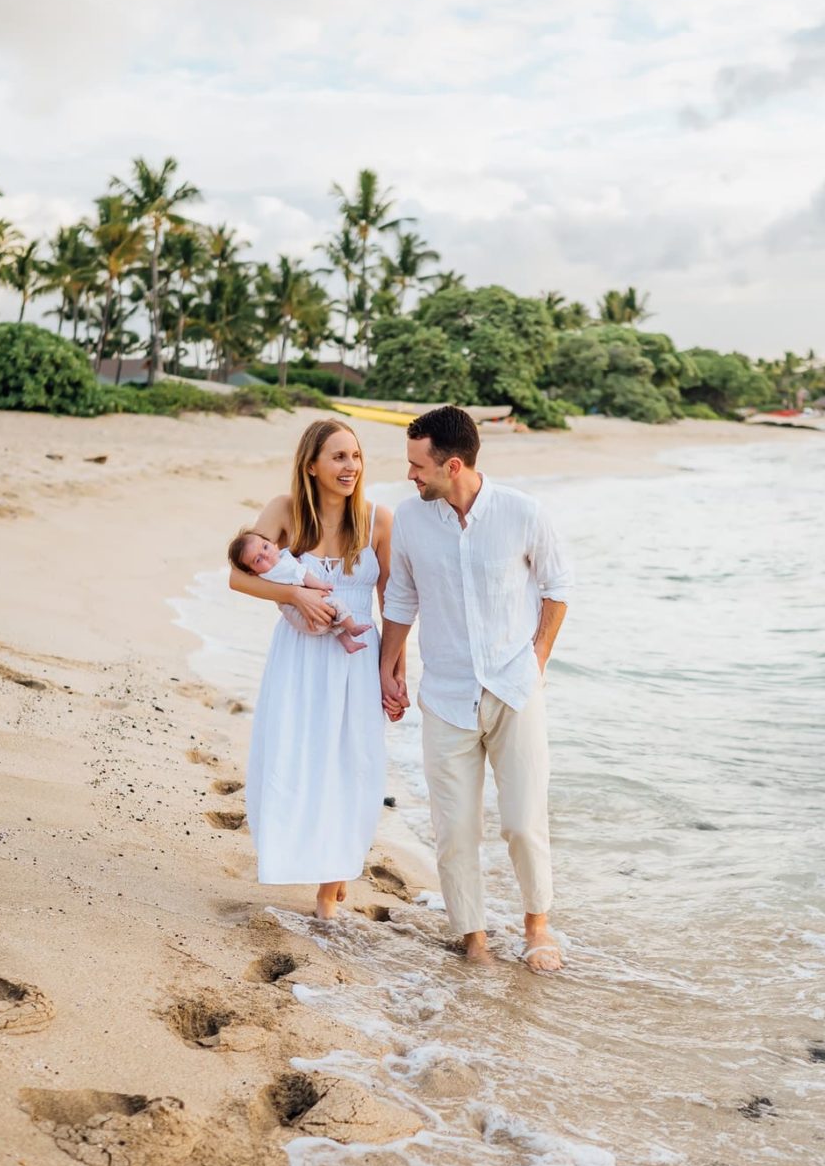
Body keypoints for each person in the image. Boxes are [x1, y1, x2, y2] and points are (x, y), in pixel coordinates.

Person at [379, 405, 573, 973]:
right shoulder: (412, 521)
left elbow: (557, 587)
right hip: (445, 694)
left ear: (453, 464)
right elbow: (402, 599)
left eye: (418, 466)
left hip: (515, 689)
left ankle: (537, 926)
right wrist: (389, 667)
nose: (411, 476)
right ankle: (474, 938)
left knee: (521, 821)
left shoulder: (522, 512)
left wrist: (537, 658)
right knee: (455, 828)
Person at [229, 419, 392, 920]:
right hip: (299, 656)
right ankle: (301, 856)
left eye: (356, 456)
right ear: (312, 465)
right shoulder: (283, 511)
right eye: (339, 457)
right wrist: (295, 592)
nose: (350, 467)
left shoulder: (378, 520)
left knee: (352, 764)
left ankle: (331, 885)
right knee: (298, 756)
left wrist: (394, 668)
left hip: (357, 655)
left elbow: (394, 598)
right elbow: (239, 577)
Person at [227, 529, 372, 654]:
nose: (266, 555)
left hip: (303, 620)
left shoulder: (279, 562)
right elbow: (304, 577)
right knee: (336, 604)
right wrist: (322, 585)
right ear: (252, 572)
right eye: (258, 560)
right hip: (306, 617)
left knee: (333, 624)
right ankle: (352, 627)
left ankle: (348, 643)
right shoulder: (277, 570)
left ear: (273, 544)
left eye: (265, 547)